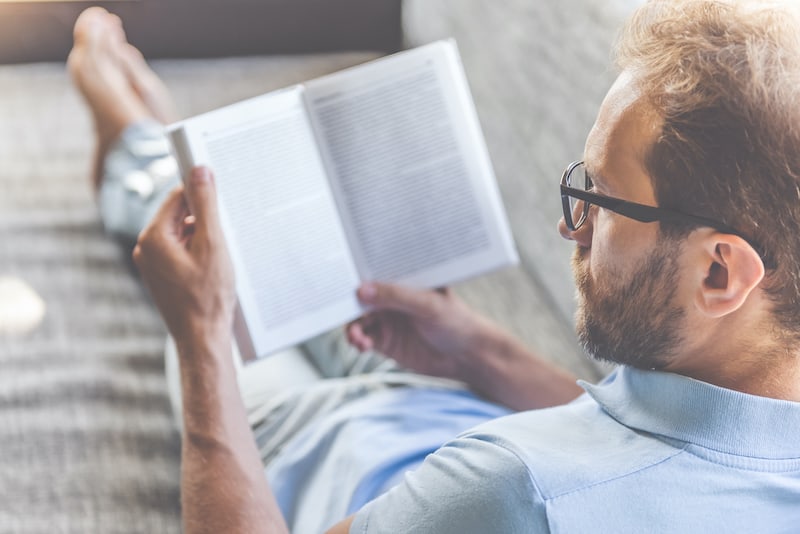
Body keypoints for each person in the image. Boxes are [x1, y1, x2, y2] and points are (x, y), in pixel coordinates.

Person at [69, 0, 800, 532]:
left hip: (314, 442)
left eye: (601, 200)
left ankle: (134, 146)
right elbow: (647, 438)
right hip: (450, 397)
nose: (569, 226)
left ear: (719, 274)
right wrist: (474, 348)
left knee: (208, 262)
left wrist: (202, 345)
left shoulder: (514, 494)